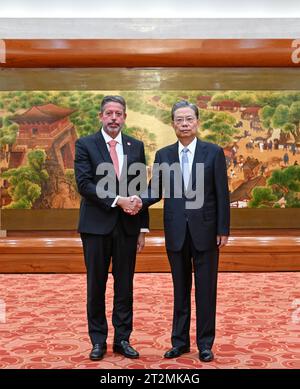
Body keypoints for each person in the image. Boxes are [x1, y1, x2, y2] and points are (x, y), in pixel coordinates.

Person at [141, 100, 230, 362]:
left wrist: (223, 228)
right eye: (179, 120)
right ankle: (179, 342)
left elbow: (221, 194)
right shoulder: (164, 155)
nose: (184, 124)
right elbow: (154, 190)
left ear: (197, 122)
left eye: (189, 119)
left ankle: (205, 343)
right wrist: (134, 201)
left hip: (206, 231)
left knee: (206, 290)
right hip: (176, 231)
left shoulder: (213, 152)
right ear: (172, 124)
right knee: (180, 290)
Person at [74, 95, 149, 361]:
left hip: (128, 228)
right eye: (109, 113)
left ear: (125, 117)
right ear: (101, 117)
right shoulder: (85, 144)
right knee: (96, 284)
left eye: (118, 113)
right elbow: (84, 185)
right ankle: (97, 340)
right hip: (95, 227)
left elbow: (141, 189)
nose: (114, 117)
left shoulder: (135, 146)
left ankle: (122, 339)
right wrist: (118, 200)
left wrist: (142, 229)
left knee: (125, 286)